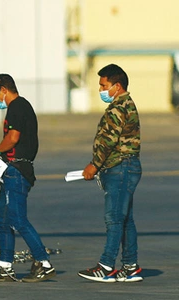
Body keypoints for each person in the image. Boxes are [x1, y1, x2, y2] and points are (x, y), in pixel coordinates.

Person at [0, 74, 56, 283]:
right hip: (10, 170)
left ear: (3, 89)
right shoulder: (21, 107)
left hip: (17, 171)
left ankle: (44, 263)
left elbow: (13, 138)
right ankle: (5, 265)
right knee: (2, 217)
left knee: (18, 219)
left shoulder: (17, 107)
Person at [78, 64, 143, 283]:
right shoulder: (126, 104)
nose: (100, 90)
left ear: (116, 86)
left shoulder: (118, 108)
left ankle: (106, 266)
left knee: (114, 218)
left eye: (103, 85)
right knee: (126, 220)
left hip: (120, 167)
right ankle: (130, 266)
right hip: (127, 166)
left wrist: (94, 165)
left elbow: (108, 140)